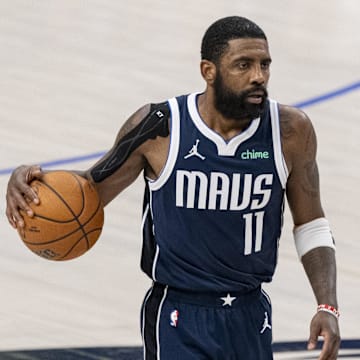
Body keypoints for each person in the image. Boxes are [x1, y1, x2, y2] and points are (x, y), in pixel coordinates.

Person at [5, 16, 340, 360]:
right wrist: (31, 181)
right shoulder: (160, 127)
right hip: (178, 314)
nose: (259, 76)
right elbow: (90, 189)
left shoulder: (289, 131)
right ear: (208, 71)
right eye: (244, 65)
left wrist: (327, 304)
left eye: (264, 65)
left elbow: (312, 223)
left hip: (250, 311)